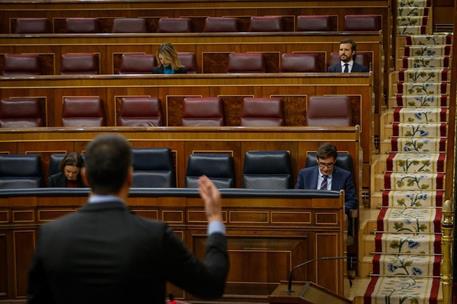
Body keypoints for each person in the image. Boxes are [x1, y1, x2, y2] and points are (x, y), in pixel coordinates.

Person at [27, 134, 229, 304]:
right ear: (130, 177)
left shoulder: (50, 235)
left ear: (85, 176)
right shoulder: (154, 236)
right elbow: (211, 286)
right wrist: (215, 218)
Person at [295, 142, 357, 213]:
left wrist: (340, 210)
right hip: (310, 214)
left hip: (334, 215)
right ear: (317, 160)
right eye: (322, 164)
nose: (326, 169)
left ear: (335, 161)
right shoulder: (304, 174)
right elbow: (297, 198)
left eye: (329, 164)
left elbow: (352, 200)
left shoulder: (345, 176)